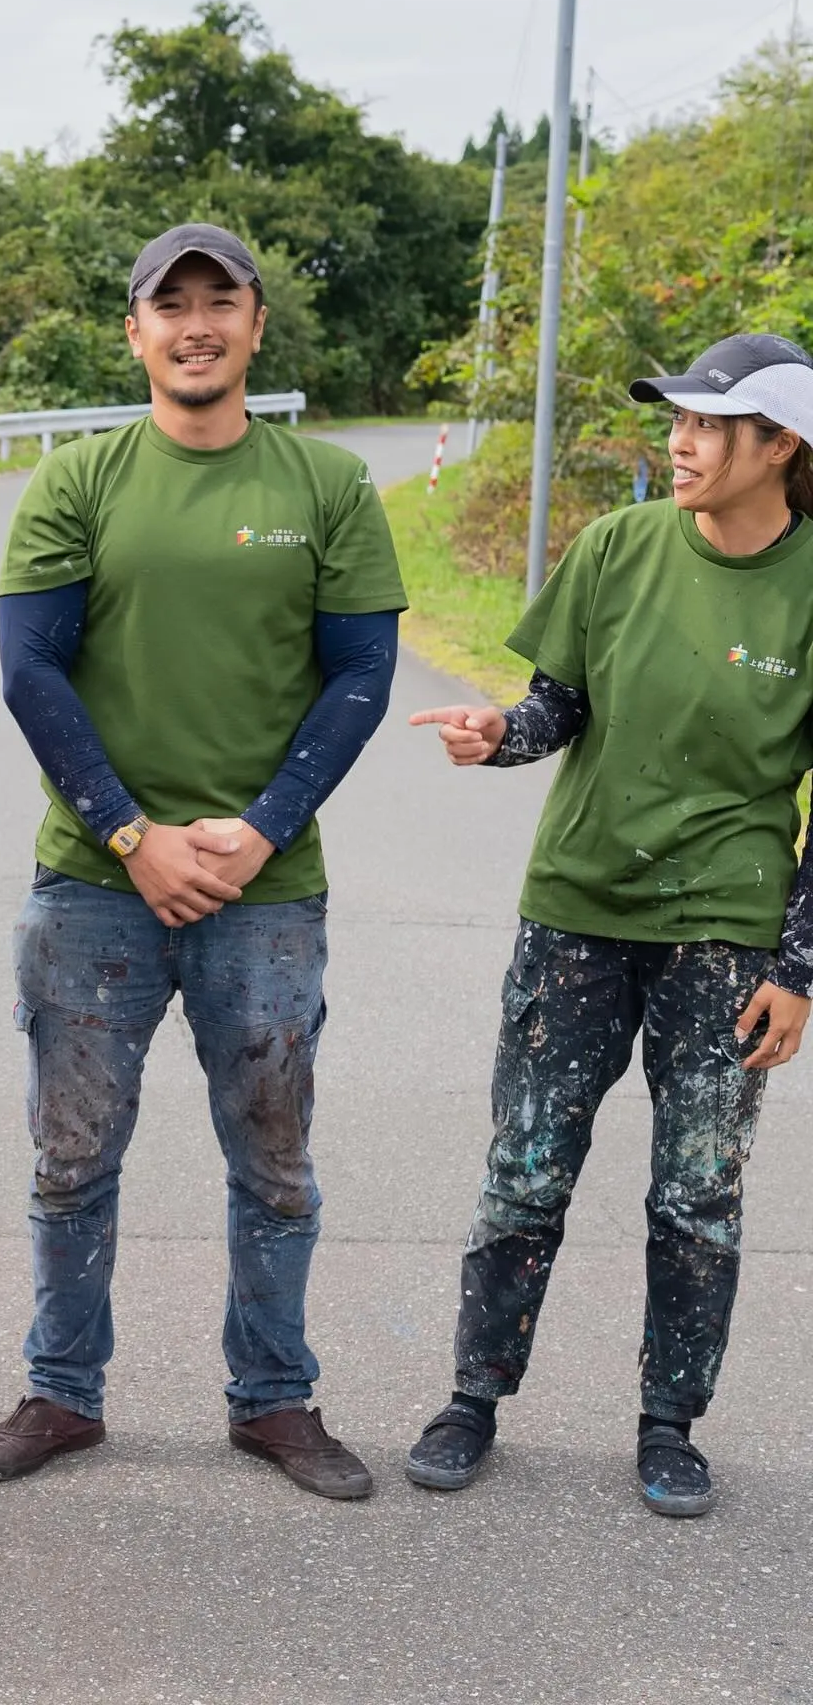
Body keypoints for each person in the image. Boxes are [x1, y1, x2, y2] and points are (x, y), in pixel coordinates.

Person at [0, 223, 407, 1500]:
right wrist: (129, 833)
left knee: (273, 1159)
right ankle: (62, 1391)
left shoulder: (326, 486)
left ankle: (274, 1400)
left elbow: (363, 676)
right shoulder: (80, 481)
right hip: (93, 886)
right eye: (173, 305)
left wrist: (261, 826)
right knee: (71, 1158)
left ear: (257, 325)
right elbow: (31, 670)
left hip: (266, 894)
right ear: (136, 331)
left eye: (223, 302)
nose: (197, 324)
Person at [405, 332, 813, 1518]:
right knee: (524, 1171)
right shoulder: (617, 547)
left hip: (725, 936)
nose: (677, 443)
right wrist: (501, 739)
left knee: (698, 1193)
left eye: (705, 424)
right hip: (577, 911)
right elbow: (556, 707)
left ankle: (670, 1422)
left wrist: (797, 968)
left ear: (779, 445)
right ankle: (474, 1396)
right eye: (675, 420)